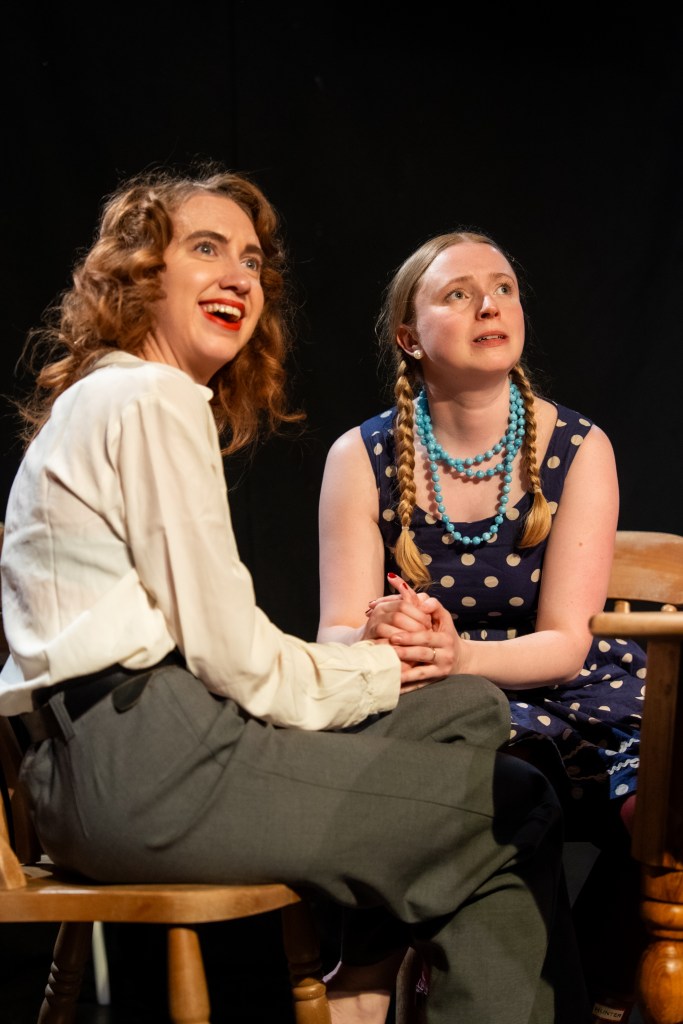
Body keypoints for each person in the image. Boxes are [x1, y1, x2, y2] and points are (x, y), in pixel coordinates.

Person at [0, 167, 590, 1024]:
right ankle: (368, 979)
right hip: (145, 767)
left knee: (465, 709)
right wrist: (380, 667)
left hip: (103, 761)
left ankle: (375, 965)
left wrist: (397, 666)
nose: (240, 276)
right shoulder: (151, 401)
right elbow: (230, 653)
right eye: (205, 249)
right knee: (513, 809)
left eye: (250, 259)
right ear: (140, 274)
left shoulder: (118, 398)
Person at [317, 229, 646, 1024]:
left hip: (572, 690)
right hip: (441, 694)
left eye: (502, 288)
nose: (488, 304)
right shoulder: (361, 456)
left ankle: (596, 993)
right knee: (427, 767)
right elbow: (332, 632)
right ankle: (390, 969)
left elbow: (567, 640)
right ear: (409, 336)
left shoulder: (576, 447)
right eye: (457, 294)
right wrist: (379, 627)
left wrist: (457, 651)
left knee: (664, 808)